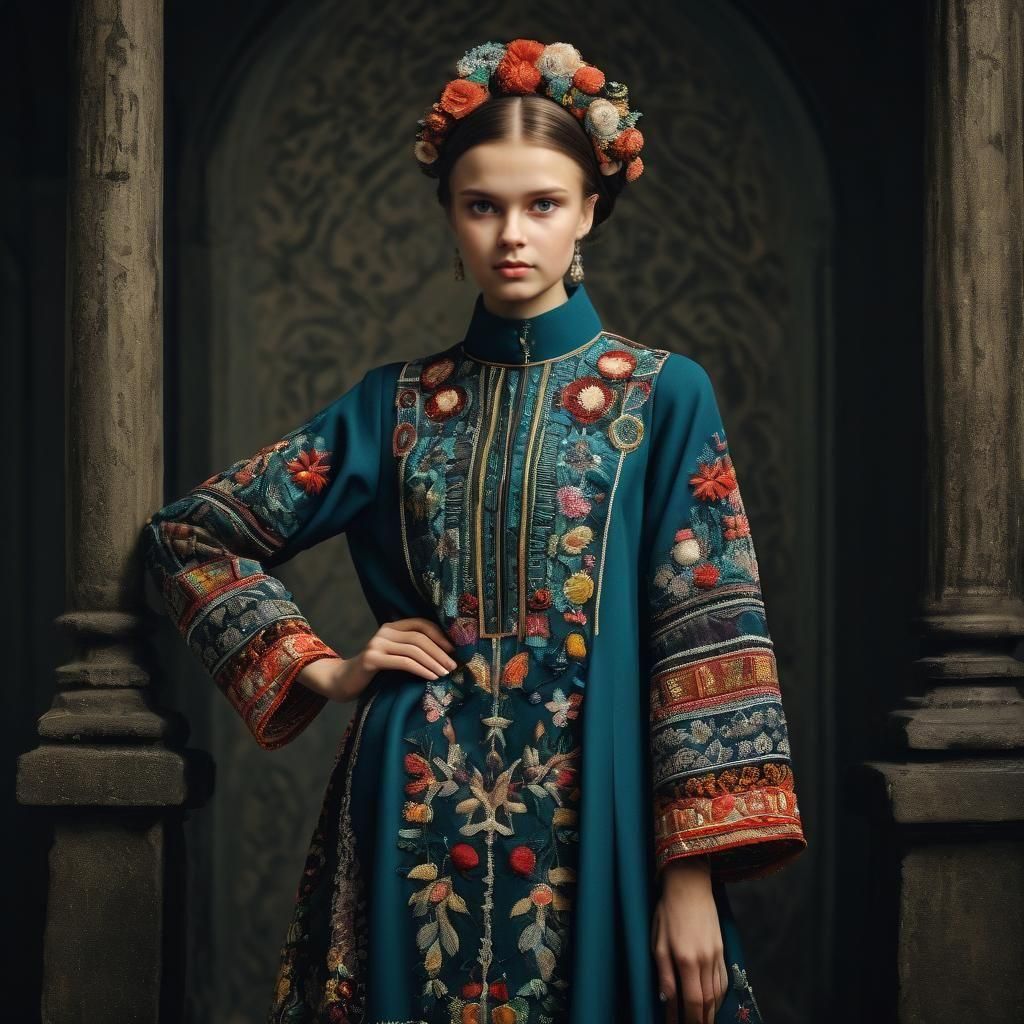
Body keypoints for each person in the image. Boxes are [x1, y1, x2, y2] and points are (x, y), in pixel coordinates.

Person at [142, 38, 806, 1024]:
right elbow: (190, 534)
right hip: (413, 811)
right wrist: (322, 666)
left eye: (541, 204)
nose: (511, 234)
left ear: (588, 212)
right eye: (481, 205)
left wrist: (691, 877)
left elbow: (706, 635)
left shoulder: (665, 396)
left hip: (605, 815)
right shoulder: (393, 406)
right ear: (451, 216)